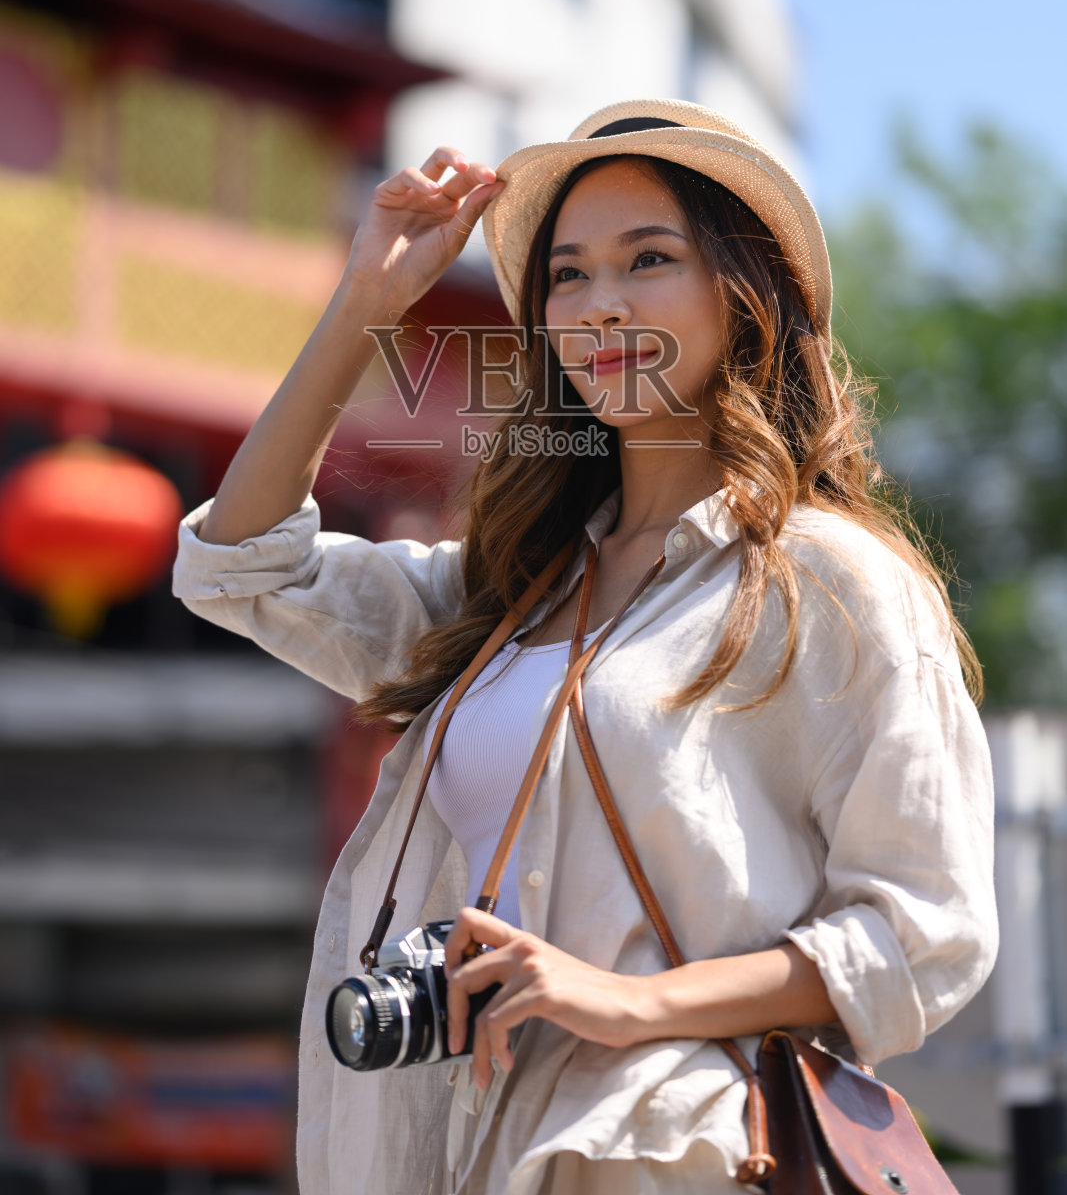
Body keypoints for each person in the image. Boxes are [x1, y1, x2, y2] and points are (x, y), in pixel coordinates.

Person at [172, 98, 997, 1195]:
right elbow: (241, 566)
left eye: (647, 259)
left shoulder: (827, 581)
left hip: (679, 1142)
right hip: (471, 1138)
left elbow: (925, 929)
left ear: (742, 291)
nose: (601, 304)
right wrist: (366, 303)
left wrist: (630, 999)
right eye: (566, 274)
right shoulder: (509, 586)